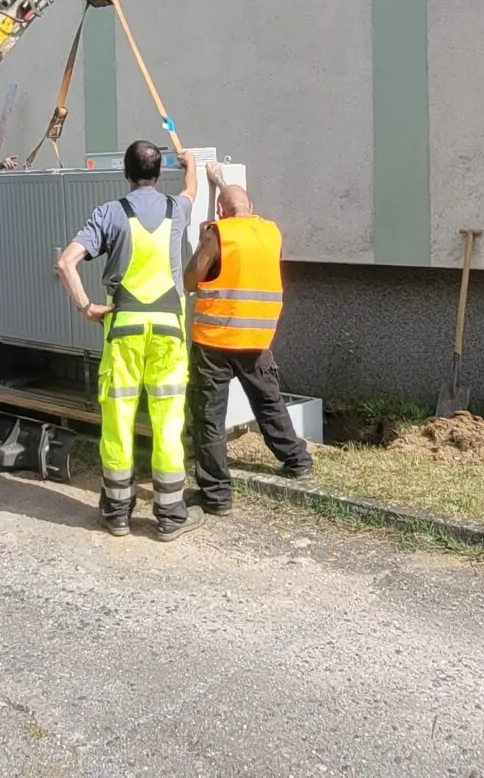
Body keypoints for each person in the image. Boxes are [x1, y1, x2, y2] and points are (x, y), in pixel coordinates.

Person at [56, 140, 204, 540]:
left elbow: (66, 262)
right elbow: (191, 190)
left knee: (119, 420)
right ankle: (170, 515)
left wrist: (87, 306)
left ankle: (117, 513)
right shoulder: (177, 209)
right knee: (168, 422)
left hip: (123, 332)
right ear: (158, 173)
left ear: (126, 173)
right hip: (169, 333)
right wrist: (190, 163)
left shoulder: (109, 213)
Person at [183, 166, 312, 516]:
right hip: (256, 341)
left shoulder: (217, 233)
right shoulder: (270, 232)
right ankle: (298, 461)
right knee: (269, 403)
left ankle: (216, 496)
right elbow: (238, 209)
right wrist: (221, 180)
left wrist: (203, 240)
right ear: (251, 207)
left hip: (215, 342)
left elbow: (191, 280)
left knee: (209, 418)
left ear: (219, 210)